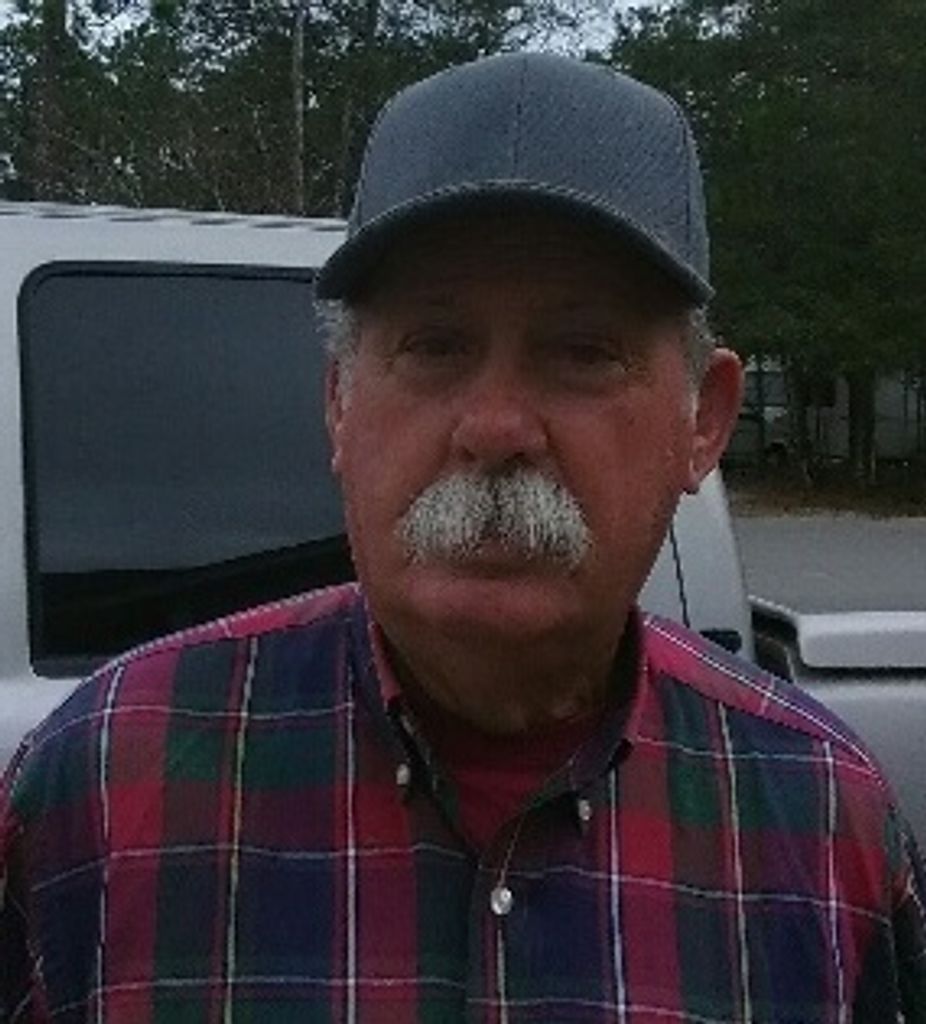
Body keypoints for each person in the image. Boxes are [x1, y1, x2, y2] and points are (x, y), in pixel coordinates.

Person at [2, 52, 924, 1023]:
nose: (494, 427)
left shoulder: (822, 824)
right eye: (435, 347)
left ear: (704, 420)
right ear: (339, 404)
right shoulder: (100, 795)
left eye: (581, 352)